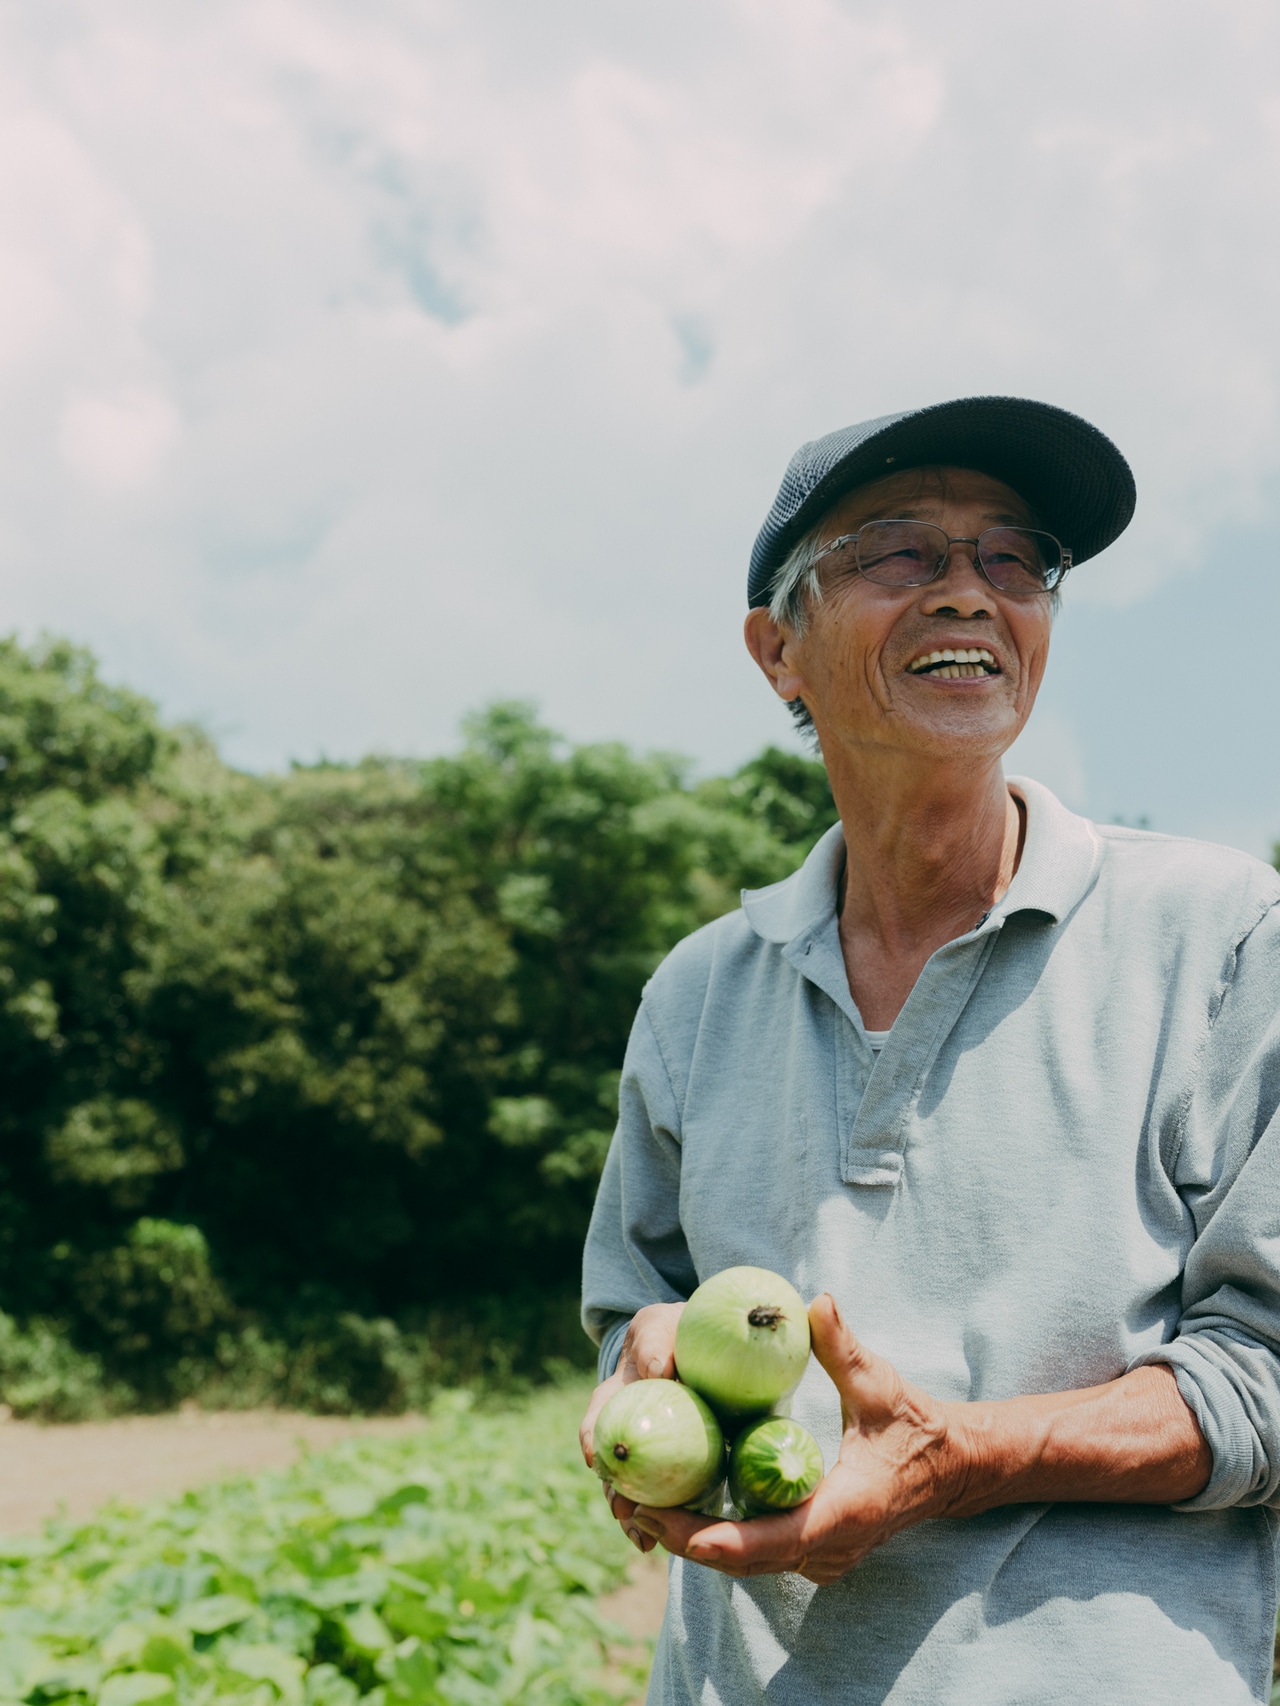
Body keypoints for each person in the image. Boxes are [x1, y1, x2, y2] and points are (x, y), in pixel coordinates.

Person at [578, 396, 1280, 1705]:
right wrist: (645, 1366)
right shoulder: (698, 993)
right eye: (901, 552)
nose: (970, 591)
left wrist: (958, 1454)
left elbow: (1270, 1378)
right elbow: (635, 1307)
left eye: (1015, 559)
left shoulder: (1227, 938)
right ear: (776, 649)